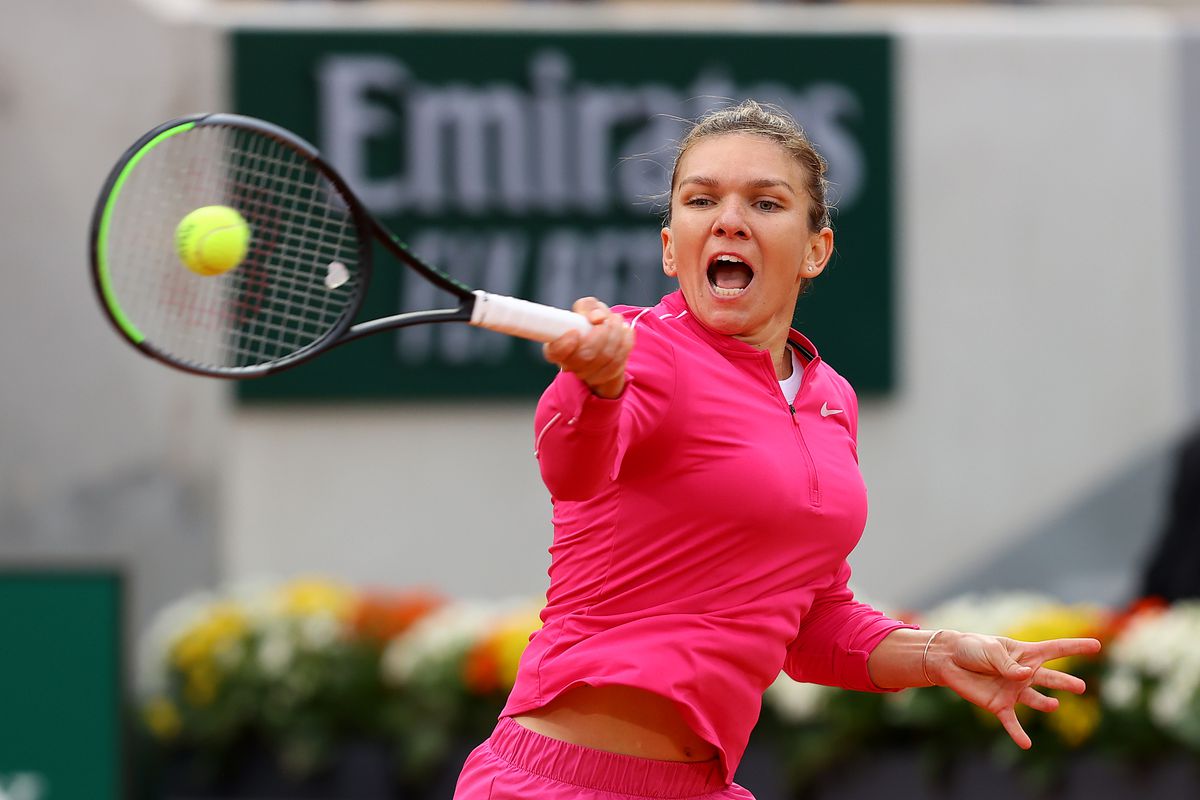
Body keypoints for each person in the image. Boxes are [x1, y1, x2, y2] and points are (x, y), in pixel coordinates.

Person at [453, 100, 1101, 800]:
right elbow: (570, 470)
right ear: (672, 247)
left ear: (816, 250)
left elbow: (809, 619)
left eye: (765, 202)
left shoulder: (831, 400)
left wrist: (938, 654)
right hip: (554, 784)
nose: (729, 219)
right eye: (702, 199)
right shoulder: (639, 356)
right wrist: (597, 383)